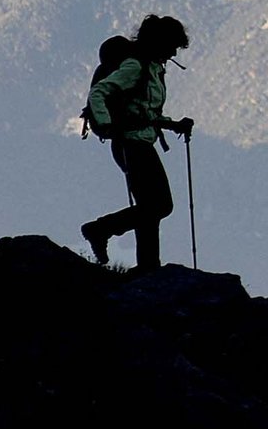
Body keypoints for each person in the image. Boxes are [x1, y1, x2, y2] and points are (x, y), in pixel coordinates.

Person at [80, 15, 195, 272]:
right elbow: (99, 92)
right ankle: (100, 229)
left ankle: (148, 266)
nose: (175, 51)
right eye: (173, 45)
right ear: (160, 42)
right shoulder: (136, 67)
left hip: (137, 143)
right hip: (131, 144)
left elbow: (143, 111)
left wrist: (173, 124)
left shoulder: (151, 67)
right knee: (160, 205)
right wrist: (108, 125)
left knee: (150, 207)